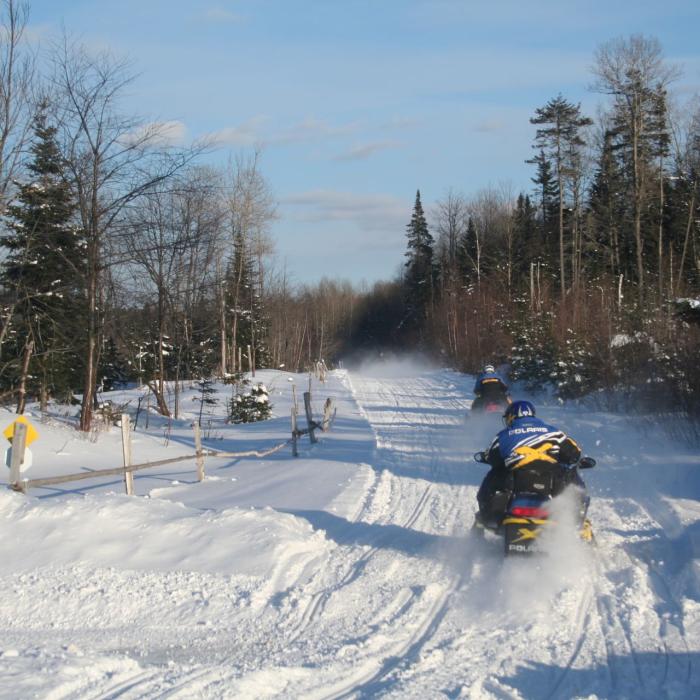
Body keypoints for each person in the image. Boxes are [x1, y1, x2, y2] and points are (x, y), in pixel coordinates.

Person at [475, 400, 582, 526]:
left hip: (516, 478)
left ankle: (487, 518)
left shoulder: (503, 435)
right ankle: (576, 519)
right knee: (573, 482)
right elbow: (575, 453)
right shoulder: (554, 432)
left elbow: (491, 457)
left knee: (492, 479)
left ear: (511, 416)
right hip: (551, 479)